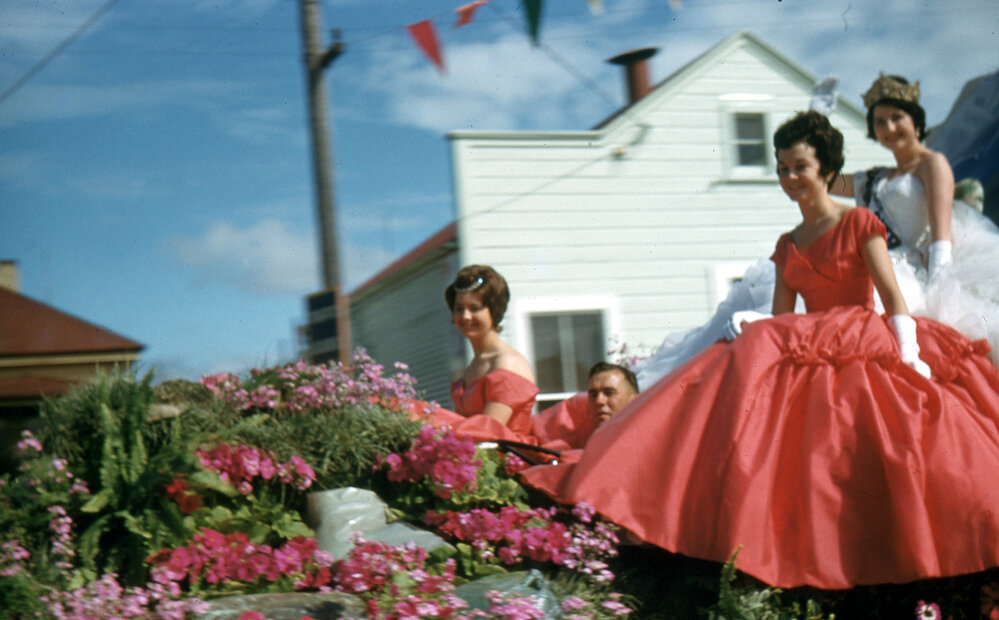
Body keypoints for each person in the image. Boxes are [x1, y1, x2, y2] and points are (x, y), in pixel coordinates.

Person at [521, 111, 999, 590]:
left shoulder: (858, 222)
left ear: (827, 170)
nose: (791, 178)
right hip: (803, 341)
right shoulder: (788, 245)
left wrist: (910, 356)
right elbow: (781, 317)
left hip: (858, 339)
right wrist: (753, 323)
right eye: (783, 169)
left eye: (801, 167)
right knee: (736, 369)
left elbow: (893, 299)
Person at [830, 73, 999, 364]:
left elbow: (940, 234)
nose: (889, 128)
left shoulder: (932, 163)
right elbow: (825, 182)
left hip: (915, 269)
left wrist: (938, 293)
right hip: (877, 265)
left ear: (915, 121)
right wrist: (818, 120)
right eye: (880, 122)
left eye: (897, 117)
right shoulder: (874, 177)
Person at [427, 265, 541, 444]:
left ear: (494, 311)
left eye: (475, 308)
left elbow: (487, 433)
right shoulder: (474, 365)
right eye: (459, 308)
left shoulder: (507, 363)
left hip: (507, 463)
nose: (465, 316)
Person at [532, 362, 640, 450]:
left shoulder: (646, 444)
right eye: (593, 395)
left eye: (609, 393)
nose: (599, 401)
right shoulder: (588, 448)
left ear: (634, 401)